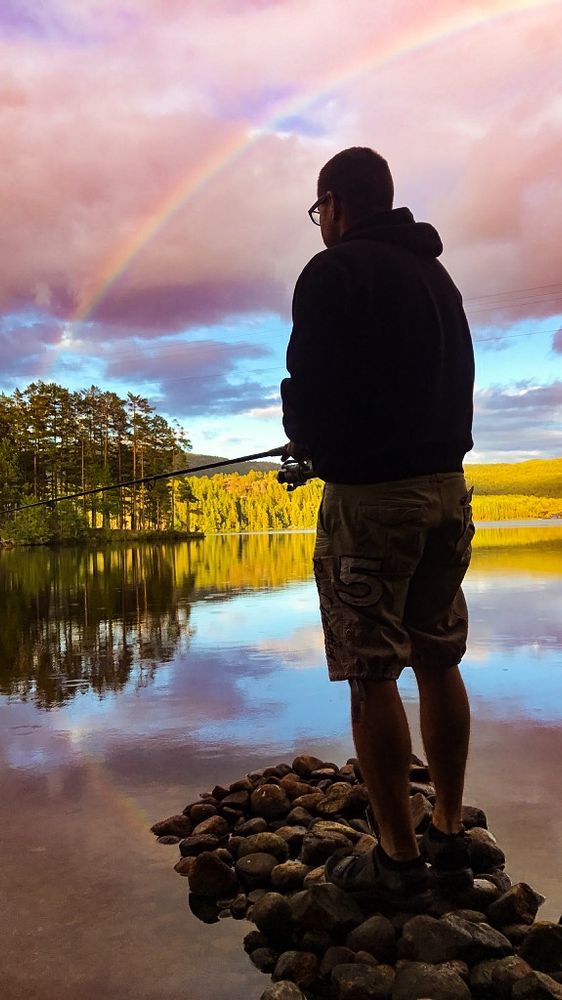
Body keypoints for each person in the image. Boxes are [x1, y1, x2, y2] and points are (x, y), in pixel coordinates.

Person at [281, 147, 475, 901]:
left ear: (335, 203)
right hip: (448, 493)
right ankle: (450, 830)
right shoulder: (439, 276)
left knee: (371, 673)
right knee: (438, 659)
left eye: (318, 209)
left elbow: (310, 391)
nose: (319, 223)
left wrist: (313, 446)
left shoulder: (333, 272)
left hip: (371, 503)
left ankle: (397, 857)